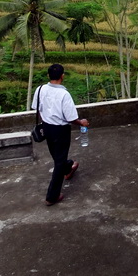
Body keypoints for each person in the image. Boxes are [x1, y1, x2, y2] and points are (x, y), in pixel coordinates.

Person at [32, 63, 88, 207]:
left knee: (58, 156)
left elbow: (37, 108)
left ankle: (69, 168)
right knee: (58, 161)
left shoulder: (40, 89)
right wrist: (81, 122)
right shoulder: (64, 94)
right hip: (61, 130)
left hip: (47, 128)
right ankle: (52, 196)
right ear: (62, 76)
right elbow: (70, 118)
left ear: (48, 76)